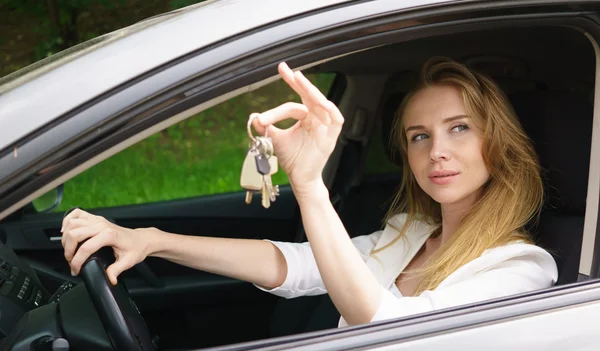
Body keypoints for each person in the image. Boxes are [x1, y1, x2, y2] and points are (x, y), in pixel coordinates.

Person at [61, 57, 558, 328]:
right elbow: (297, 267)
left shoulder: (520, 268)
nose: (436, 152)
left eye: (459, 129)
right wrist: (151, 239)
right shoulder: (411, 232)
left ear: (498, 144)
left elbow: (386, 324)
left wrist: (308, 184)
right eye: (419, 136)